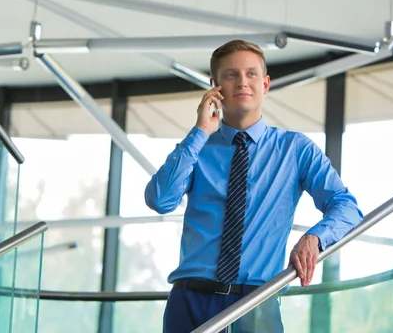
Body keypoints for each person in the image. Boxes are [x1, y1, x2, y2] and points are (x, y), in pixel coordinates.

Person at [144, 40, 364, 333]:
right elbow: (160, 200)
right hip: (190, 301)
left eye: (251, 74)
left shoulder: (295, 149)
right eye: (231, 75)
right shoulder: (197, 148)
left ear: (265, 83)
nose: (242, 82)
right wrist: (199, 132)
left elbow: (347, 207)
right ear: (215, 86)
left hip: (257, 302)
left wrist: (315, 238)